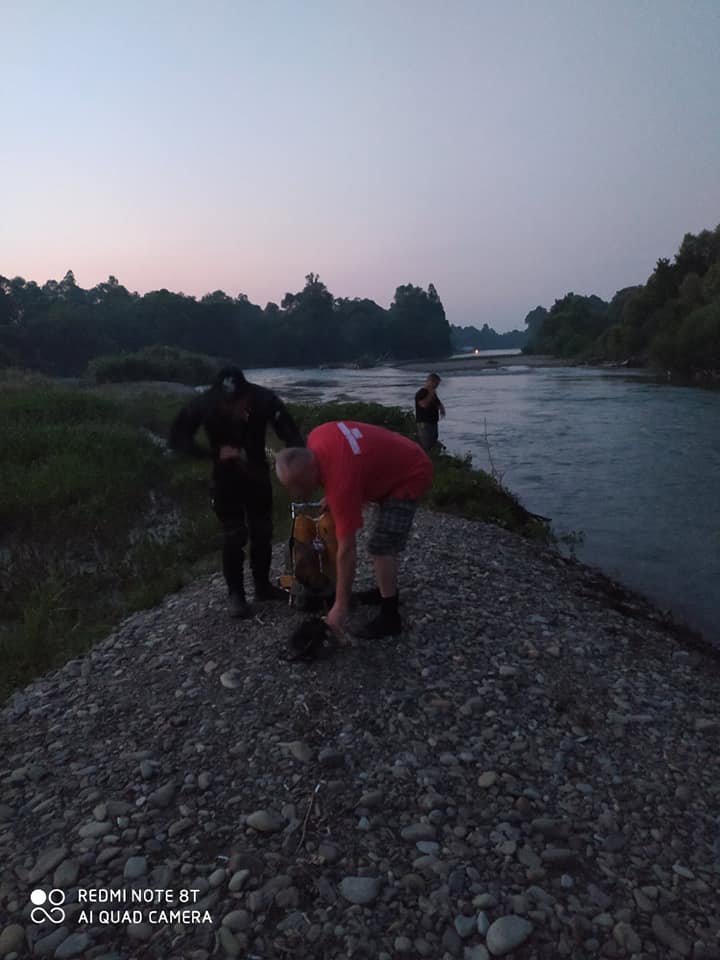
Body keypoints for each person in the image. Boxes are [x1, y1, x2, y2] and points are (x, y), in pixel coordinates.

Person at [275, 421, 433, 639]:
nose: (296, 493)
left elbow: (347, 549)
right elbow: (349, 459)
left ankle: (390, 616)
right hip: (397, 458)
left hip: (411, 473)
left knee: (381, 546)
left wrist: (340, 605)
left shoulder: (341, 483)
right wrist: (332, 493)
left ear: (311, 469)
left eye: (300, 485)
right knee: (382, 539)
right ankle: (385, 591)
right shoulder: (317, 437)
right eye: (291, 487)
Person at [169, 366, 304, 619]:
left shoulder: (264, 400)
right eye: (227, 403)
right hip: (224, 479)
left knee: (263, 532)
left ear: (247, 394)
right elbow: (177, 438)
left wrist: (292, 457)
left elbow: (290, 432)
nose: (234, 407)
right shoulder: (204, 403)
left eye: (239, 401)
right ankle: (236, 595)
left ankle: (262, 587)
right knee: (234, 535)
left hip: (257, 476)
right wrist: (212, 454)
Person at [415, 372, 445, 451]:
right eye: (435, 384)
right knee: (426, 444)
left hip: (433, 422)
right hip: (424, 423)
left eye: (437, 385)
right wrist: (431, 394)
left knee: (433, 441)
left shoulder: (433, 393)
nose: (436, 387)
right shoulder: (421, 393)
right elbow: (424, 405)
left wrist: (442, 409)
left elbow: (438, 403)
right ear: (430, 382)